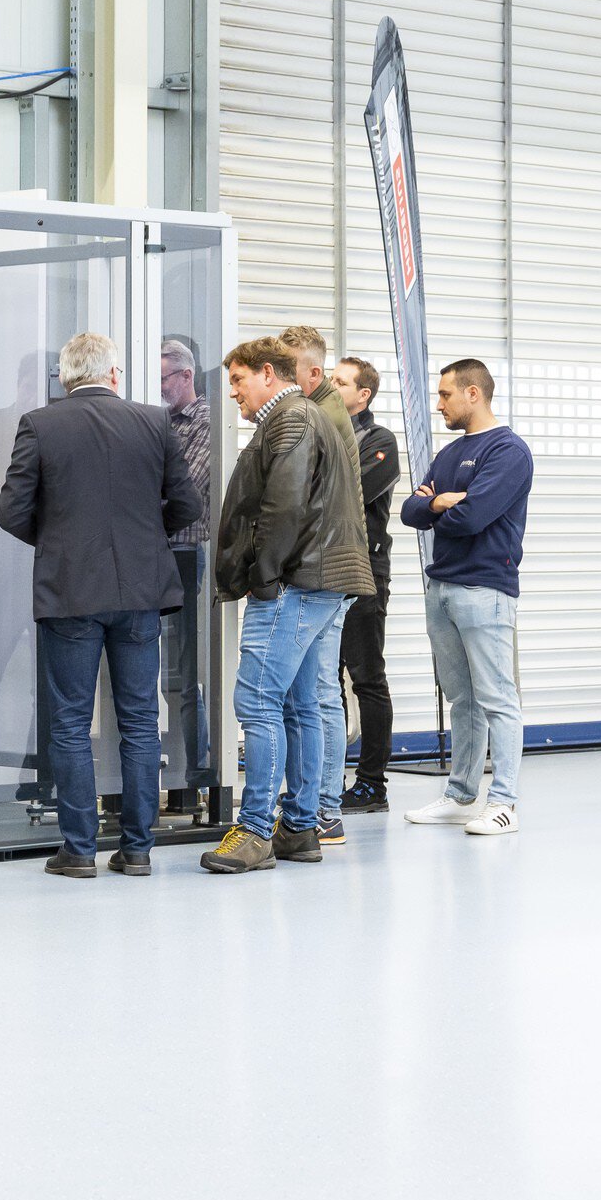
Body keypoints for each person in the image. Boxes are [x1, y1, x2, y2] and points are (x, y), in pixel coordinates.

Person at [0, 331, 203, 879]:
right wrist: (143, 538)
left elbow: (11, 511)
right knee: (139, 720)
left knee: (69, 720)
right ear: (114, 374)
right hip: (140, 592)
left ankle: (79, 850)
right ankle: (137, 849)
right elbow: (188, 504)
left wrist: (58, 541)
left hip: (70, 592)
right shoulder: (154, 422)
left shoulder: (40, 424)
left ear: (65, 378)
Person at [200, 336, 374, 875]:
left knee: (257, 702)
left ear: (268, 374)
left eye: (238, 379)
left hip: (296, 582)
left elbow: (284, 508)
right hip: (320, 579)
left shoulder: (290, 419)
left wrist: (264, 577)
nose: (233, 392)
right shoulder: (303, 415)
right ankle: (299, 828)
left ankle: (254, 831)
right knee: (300, 706)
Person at [400, 359, 533, 835]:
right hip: (442, 588)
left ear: (473, 393)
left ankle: (504, 803)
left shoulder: (508, 451)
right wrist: (439, 501)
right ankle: (460, 795)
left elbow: (473, 517)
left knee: (497, 698)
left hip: (485, 589)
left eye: (445, 395)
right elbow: (410, 511)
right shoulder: (450, 454)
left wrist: (439, 506)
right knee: (462, 700)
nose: (439, 405)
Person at [280, 324, 365, 845]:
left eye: (285, 369)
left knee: (317, 692)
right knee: (315, 691)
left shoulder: (320, 417)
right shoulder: (321, 409)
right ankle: (316, 804)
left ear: (312, 373)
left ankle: (324, 808)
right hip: (329, 567)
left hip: (327, 570)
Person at [333, 356, 401, 813]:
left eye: (340, 382)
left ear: (363, 395)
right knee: (326, 682)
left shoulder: (379, 440)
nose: (331, 386)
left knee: (367, 678)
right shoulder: (322, 431)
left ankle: (372, 784)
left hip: (363, 573)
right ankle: (327, 779)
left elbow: (348, 494)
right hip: (324, 574)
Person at [159, 338, 212, 789]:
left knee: (186, 672)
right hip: (157, 554)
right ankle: (177, 768)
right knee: (165, 675)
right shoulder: (159, 421)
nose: (159, 389)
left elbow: (186, 491)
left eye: (163, 380)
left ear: (186, 376)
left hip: (186, 555)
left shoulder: (206, 422)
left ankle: (196, 772)